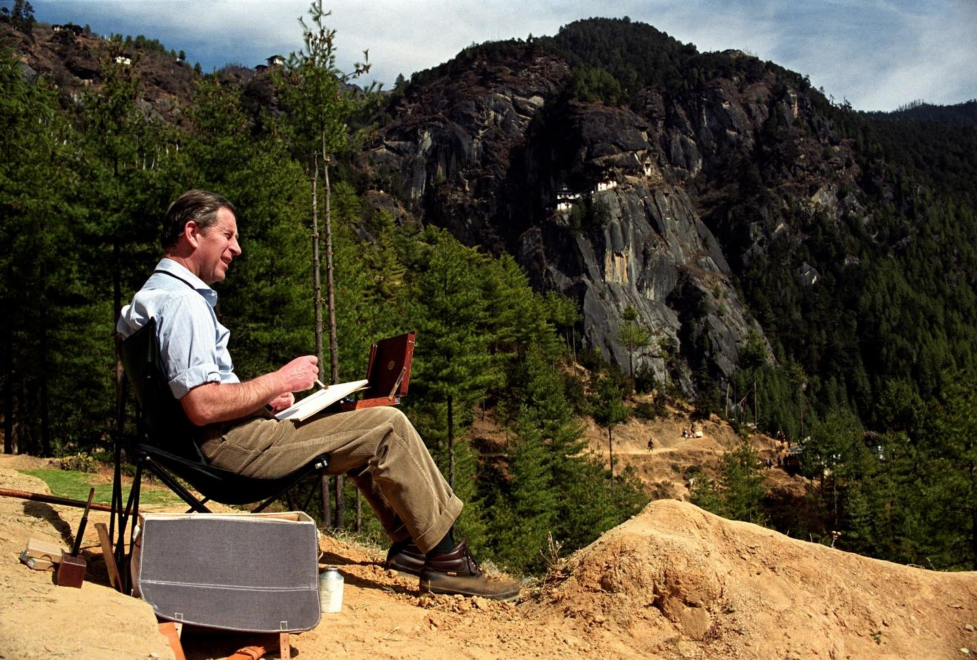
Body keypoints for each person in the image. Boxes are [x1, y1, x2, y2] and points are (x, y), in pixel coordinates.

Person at [116, 190, 519, 601]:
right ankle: (448, 563)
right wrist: (279, 380)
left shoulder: (154, 296)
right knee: (387, 427)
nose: (237, 248)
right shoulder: (184, 304)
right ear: (192, 233)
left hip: (210, 442)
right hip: (228, 450)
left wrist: (259, 399)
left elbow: (197, 395)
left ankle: (412, 545)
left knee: (357, 420)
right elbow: (202, 406)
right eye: (228, 235)